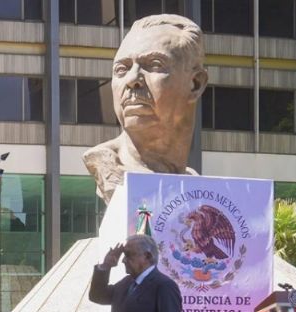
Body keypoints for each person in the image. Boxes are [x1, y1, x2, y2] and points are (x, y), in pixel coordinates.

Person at [83, 14, 208, 204]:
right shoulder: (106, 164)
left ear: (195, 84)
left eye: (155, 65)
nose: (132, 80)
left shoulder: (196, 189)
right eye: (122, 70)